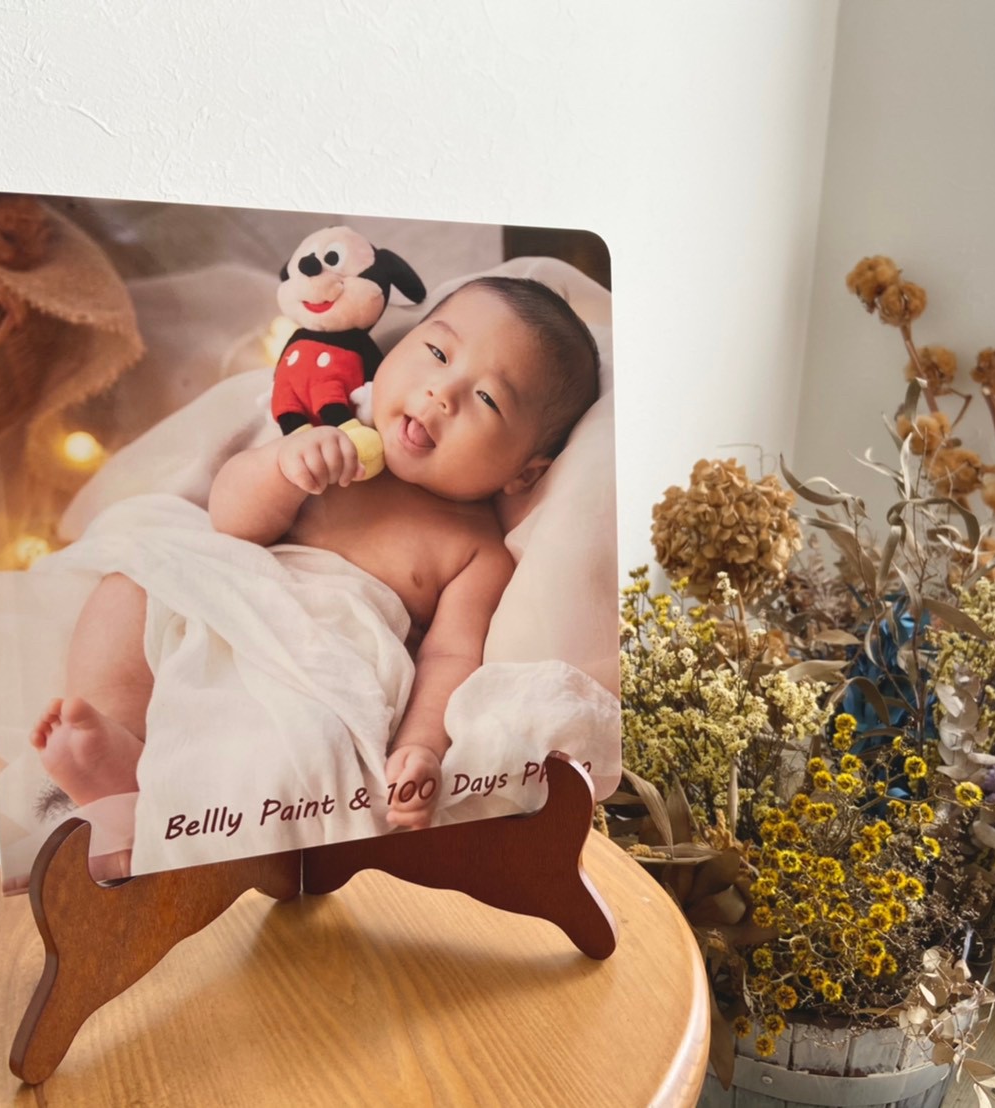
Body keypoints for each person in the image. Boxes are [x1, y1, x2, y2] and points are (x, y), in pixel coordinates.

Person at [30, 276, 600, 833]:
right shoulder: (331, 432)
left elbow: (450, 658)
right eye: (436, 353)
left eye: (488, 399)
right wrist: (285, 468)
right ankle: (119, 745)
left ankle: (158, 806)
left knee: (309, 742)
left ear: (525, 473)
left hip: (319, 668)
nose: (442, 394)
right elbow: (230, 522)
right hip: (230, 593)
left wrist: (421, 746)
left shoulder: (477, 552)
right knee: (130, 589)